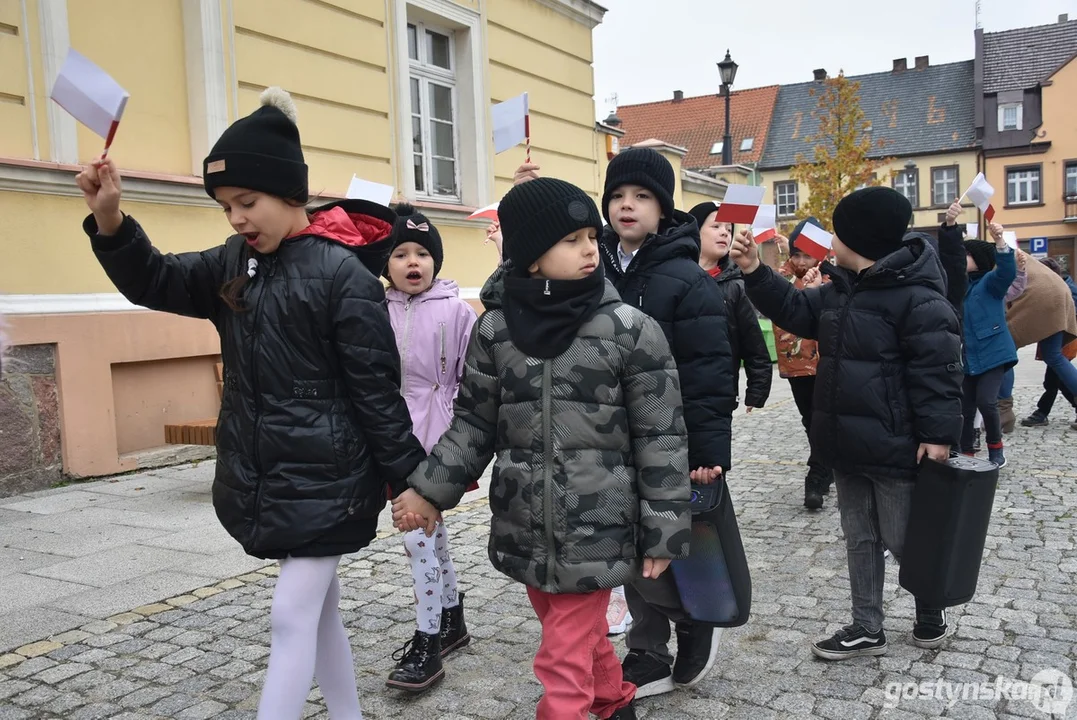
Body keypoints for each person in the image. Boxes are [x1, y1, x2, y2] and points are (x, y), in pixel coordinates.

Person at [78, 87, 426, 720]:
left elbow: (377, 391)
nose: (236, 218)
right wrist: (110, 220)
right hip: (266, 476)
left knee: (293, 614)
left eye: (247, 201)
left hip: (331, 480)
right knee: (317, 617)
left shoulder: (342, 276)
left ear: (291, 194)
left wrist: (410, 482)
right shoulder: (234, 262)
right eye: (225, 206)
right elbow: (155, 278)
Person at [392, 177, 692, 720]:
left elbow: (662, 435)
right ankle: (613, 702)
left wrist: (665, 528)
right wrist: (428, 491)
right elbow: (472, 425)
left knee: (561, 657)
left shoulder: (630, 330)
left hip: (599, 524)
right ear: (530, 257)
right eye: (572, 239)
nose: (588, 249)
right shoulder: (496, 330)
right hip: (525, 523)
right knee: (577, 636)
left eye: (590, 236)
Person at [513, 153, 734, 696]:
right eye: (617, 197)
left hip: (667, 437)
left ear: (663, 208)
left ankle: (694, 620)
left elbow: (709, 373)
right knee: (622, 556)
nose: (626, 206)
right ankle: (646, 648)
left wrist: (706, 449)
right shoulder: (595, 267)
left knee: (667, 549)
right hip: (606, 445)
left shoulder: (687, 279)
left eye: (641, 196)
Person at [730, 186, 963, 659]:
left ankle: (929, 607)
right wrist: (755, 270)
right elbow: (795, 310)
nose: (829, 236)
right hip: (844, 443)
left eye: (839, 229)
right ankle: (866, 625)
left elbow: (939, 374)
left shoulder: (918, 299)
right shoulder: (839, 290)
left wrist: (938, 437)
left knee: (903, 538)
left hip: (896, 448)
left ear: (862, 240)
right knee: (859, 538)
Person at [383, 205, 478, 692]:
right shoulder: (376, 309)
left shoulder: (458, 311)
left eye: (423, 252)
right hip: (392, 433)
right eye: (401, 253)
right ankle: (452, 619)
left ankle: (428, 642)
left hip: (438, 436)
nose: (413, 262)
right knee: (430, 535)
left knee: (416, 534)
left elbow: (469, 379)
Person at [688, 202, 773, 415]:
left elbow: (753, 343)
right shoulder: (674, 279)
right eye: (716, 227)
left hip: (719, 394)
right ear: (694, 231)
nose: (724, 233)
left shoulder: (736, 285)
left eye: (728, 229)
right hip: (676, 391)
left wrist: (757, 389)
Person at [773, 219, 832, 509]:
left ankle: (818, 475)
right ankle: (824, 466)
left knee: (825, 419)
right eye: (795, 254)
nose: (800, 261)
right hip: (796, 364)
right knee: (810, 419)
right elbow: (767, 290)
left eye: (806, 255)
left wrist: (819, 287)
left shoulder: (833, 278)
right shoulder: (784, 277)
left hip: (829, 362)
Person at [959, 228, 1019, 468]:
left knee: (986, 402)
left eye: (967, 254)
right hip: (969, 357)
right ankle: (966, 453)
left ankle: (996, 450)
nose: (962, 258)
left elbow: (1007, 271)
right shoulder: (963, 286)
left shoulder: (991, 283)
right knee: (964, 407)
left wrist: (1000, 243)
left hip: (994, 354)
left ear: (979, 259)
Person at [1021, 258, 1077, 430]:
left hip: (1064, 340)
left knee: (1054, 378)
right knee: (1055, 378)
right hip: (1058, 338)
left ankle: (1041, 413)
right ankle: (1042, 412)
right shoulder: (1062, 286)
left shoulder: (1066, 289)